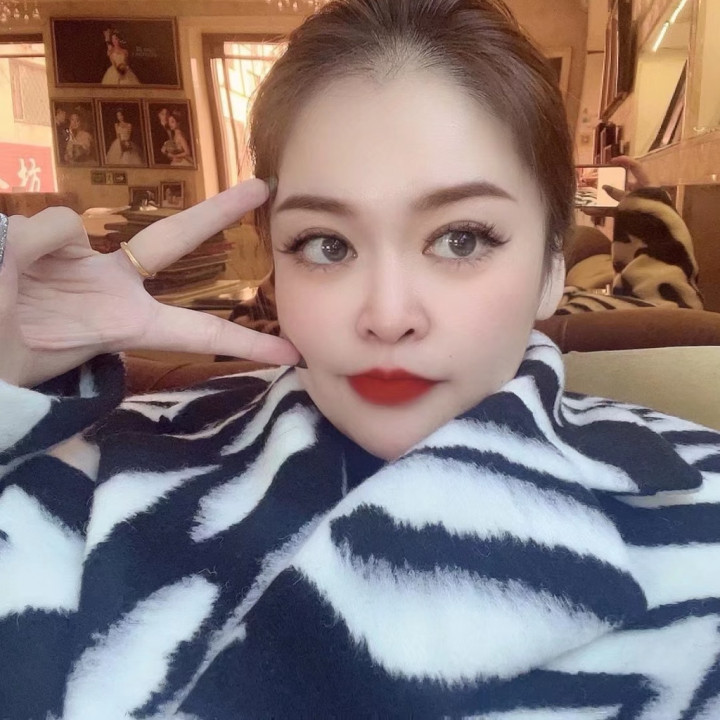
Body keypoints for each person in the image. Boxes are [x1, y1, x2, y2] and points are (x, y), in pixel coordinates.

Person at [0, 2, 718, 719]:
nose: (386, 315)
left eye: (461, 239)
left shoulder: (698, 508)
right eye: (328, 245)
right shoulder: (105, 462)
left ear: (553, 264)